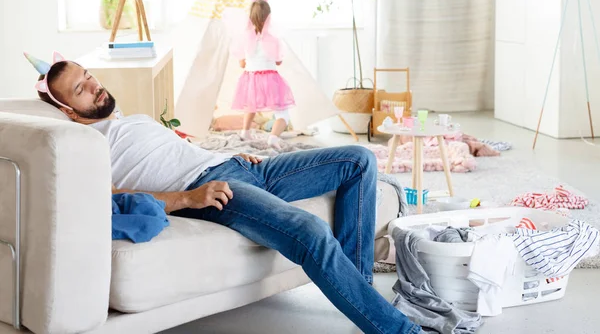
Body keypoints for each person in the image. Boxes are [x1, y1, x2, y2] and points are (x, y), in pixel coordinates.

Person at [24, 51, 422, 334]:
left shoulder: (132, 119)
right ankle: (397, 330)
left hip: (240, 166)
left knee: (358, 159)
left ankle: (360, 293)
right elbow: (109, 196)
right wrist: (187, 199)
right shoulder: (85, 144)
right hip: (215, 191)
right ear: (69, 111)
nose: (94, 86)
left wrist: (230, 151)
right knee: (309, 232)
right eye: (80, 88)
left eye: (88, 75)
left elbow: (181, 152)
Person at [230, 0, 295, 149]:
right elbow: (278, 61)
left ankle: (245, 132)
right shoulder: (273, 37)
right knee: (283, 114)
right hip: (270, 79)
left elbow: (241, 62)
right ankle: (273, 138)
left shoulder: (245, 37)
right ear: (269, 17)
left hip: (250, 78)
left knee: (250, 105)